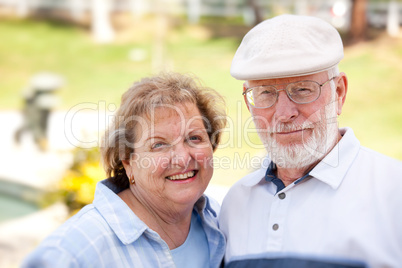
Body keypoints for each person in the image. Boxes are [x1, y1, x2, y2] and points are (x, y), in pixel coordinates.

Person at [219, 14, 402, 268]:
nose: (284, 114)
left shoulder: (393, 192)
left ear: (339, 92)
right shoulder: (236, 203)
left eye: (302, 89)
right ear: (248, 102)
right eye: (265, 93)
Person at [23, 72, 227, 267]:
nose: (183, 158)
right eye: (159, 144)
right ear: (128, 162)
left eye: (194, 138)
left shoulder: (220, 223)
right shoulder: (74, 250)